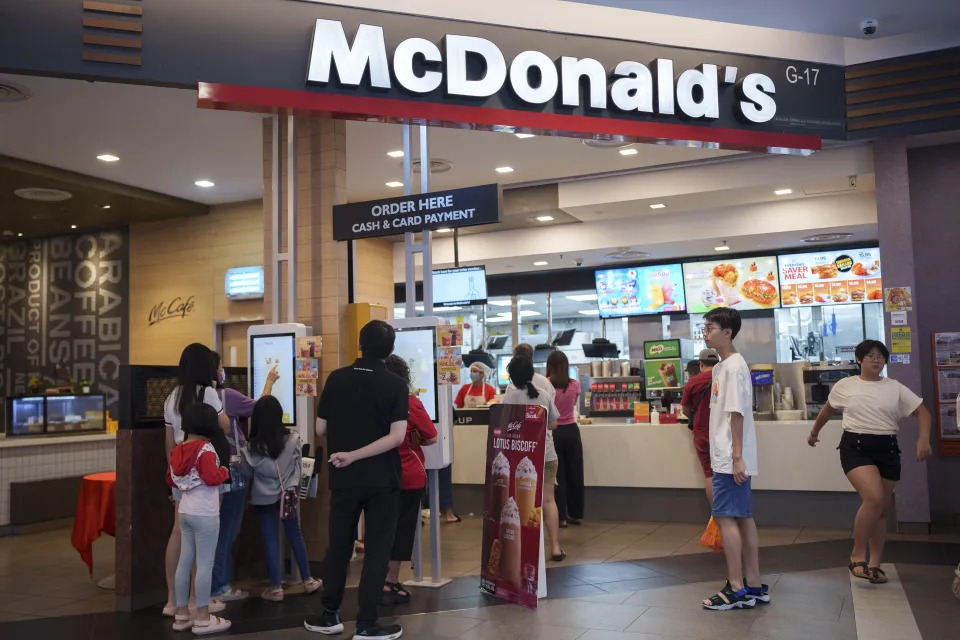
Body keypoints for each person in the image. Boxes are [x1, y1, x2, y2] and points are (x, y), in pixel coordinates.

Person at [304, 320, 408, 640]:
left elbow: (320, 430)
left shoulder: (336, 379)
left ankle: (329, 614)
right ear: (391, 350)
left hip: (344, 476)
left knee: (339, 545)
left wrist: (348, 452)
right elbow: (397, 437)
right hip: (383, 479)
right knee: (377, 549)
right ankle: (366, 623)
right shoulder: (395, 385)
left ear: (359, 345)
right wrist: (360, 453)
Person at [808, 339, 931, 585]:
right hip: (856, 448)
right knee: (874, 498)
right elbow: (827, 410)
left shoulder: (894, 386)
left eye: (880, 356)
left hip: (887, 449)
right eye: (870, 356)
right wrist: (814, 433)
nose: (876, 360)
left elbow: (922, 411)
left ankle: (874, 564)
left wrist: (923, 439)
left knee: (881, 509)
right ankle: (856, 555)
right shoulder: (846, 385)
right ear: (859, 360)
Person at [699, 308, 765, 611]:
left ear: (727, 332)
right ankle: (753, 584)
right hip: (728, 456)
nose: (705, 331)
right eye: (705, 327)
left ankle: (737, 589)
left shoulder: (734, 367)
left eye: (710, 327)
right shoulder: (721, 367)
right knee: (743, 517)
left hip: (730, 458)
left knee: (727, 518)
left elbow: (736, 414)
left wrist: (737, 458)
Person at [163, 344, 231, 617]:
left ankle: (172, 602)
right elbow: (224, 426)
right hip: (205, 470)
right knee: (202, 537)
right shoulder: (209, 393)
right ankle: (195, 601)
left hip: (179, 471)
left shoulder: (171, 397)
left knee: (178, 533)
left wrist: (175, 476)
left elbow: (169, 442)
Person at [210, 352, 280, 602]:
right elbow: (261, 408)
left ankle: (209, 585)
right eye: (220, 367)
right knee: (227, 529)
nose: (223, 371)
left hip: (205, 472)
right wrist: (270, 382)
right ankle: (218, 586)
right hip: (231, 469)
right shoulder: (226, 397)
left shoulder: (189, 398)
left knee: (210, 530)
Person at [242, 396, 322, 600]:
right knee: (295, 534)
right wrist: (290, 486)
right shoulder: (293, 439)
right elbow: (297, 468)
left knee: (270, 539)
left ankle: (276, 588)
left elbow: (248, 472)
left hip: (263, 497)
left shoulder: (252, 447)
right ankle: (308, 580)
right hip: (288, 494)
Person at [166, 403, 232, 635]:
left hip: (185, 510)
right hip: (205, 513)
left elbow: (171, 480)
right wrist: (224, 470)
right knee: (205, 564)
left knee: (185, 561)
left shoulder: (179, 448)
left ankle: (182, 614)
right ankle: (202, 617)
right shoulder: (206, 449)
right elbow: (213, 478)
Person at [381, 354, 438, 606]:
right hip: (408, 474)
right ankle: (390, 581)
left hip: (377, 474)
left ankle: (375, 578)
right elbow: (431, 437)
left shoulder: (371, 401)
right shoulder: (410, 402)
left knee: (380, 529)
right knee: (402, 530)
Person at [503, 356, 563, 561]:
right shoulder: (544, 395)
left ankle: (526, 548)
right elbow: (554, 424)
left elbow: (504, 424)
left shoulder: (510, 395)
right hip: (546, 455)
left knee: (522, 501)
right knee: (548, 500)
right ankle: (555, 547)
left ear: (512, 376)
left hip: (521, 457)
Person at [546, 350, 584, 528]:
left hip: (554, 432)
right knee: (574, 473)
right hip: (572, 431)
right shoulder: (575, 385)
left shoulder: (546, 385)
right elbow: (574, 405)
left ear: (550, 367)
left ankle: (560, 517)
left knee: (557, 476)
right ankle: (575, 513)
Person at [681, 349, 721, 506]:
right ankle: (732, 515)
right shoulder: (725, 378)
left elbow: (685, 410)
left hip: (702, 433)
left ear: (700, 364)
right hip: (724, 432)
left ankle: (717, 516)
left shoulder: (693, 383)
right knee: (726, 473)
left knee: (709, 475)